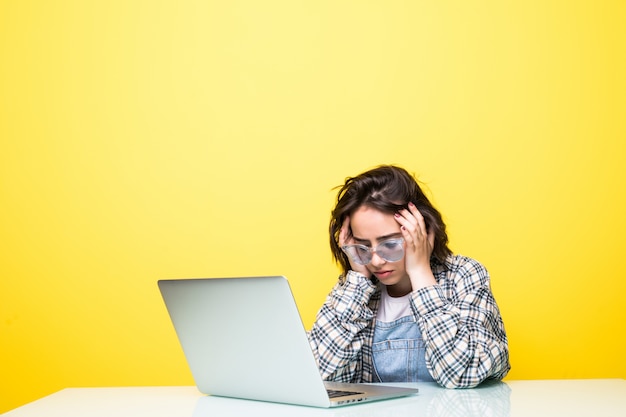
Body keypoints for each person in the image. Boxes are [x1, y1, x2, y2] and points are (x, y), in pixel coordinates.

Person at [308, 165, 510, 388]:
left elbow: (462, 372)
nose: (375, 261)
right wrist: (357, 282)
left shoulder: (465, 276)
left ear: (421, 229)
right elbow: (320, 376)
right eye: (363, 246)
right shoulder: (357, 293)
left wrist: (420, 271)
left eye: (391, 243)